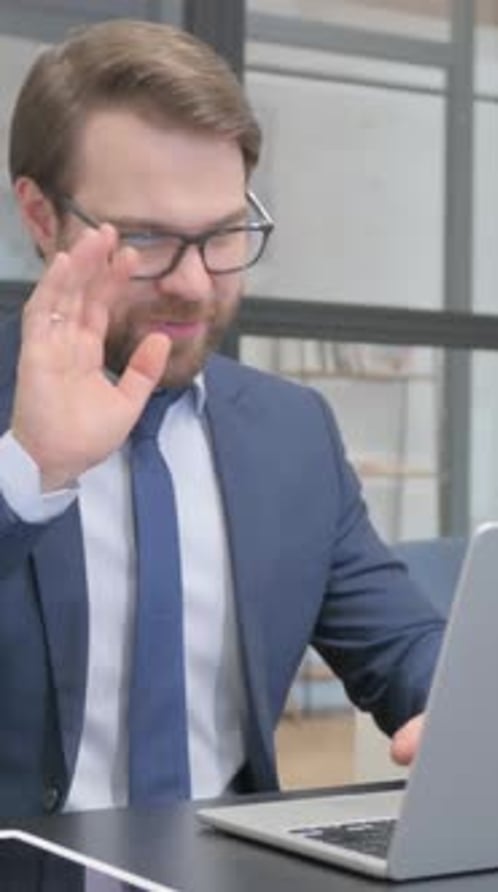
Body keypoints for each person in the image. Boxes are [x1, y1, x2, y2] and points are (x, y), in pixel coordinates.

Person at [0, 18, 441, 818]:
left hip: (236, 866)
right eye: (145, 239)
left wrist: (457, 707)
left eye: (226, 234)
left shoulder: (291, 432)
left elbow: (403, 645)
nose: (197, 286)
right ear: (39, 215)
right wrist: (26, 475)